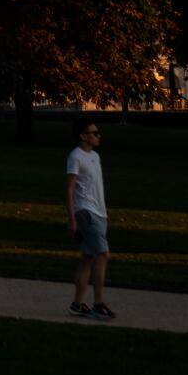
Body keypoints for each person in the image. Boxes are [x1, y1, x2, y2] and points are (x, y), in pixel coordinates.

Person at [65, 117, 114, 319]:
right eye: (94, 133)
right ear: (83, 136)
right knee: (103, 255)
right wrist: (72, 219)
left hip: (99, 213)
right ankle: (98, 304)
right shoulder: (75, 157)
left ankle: (77, 304)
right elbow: (69, 189)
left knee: (88, 258)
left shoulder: (95, 156)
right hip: (86, 212)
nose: (98, 135)